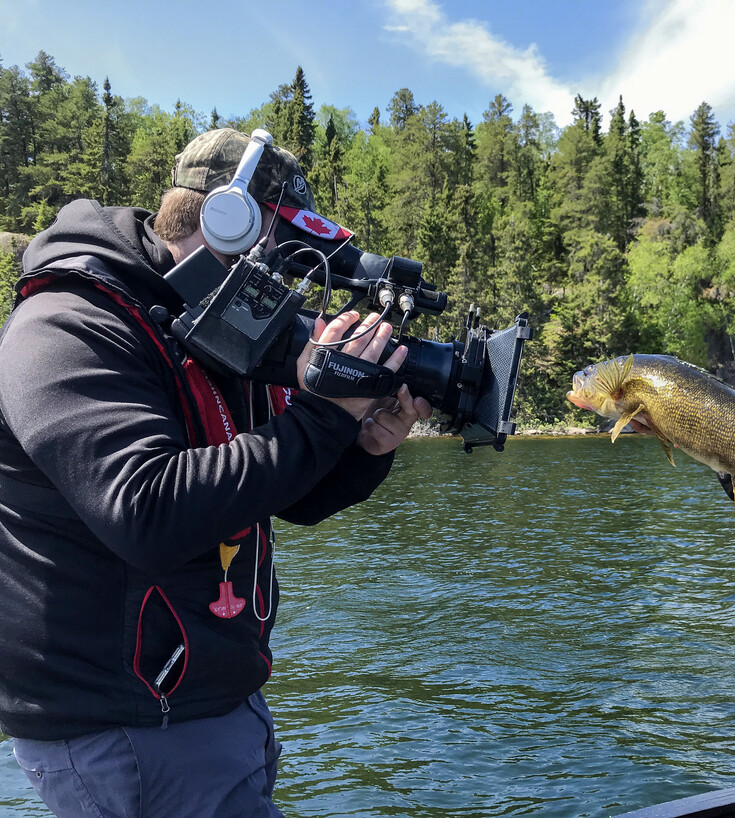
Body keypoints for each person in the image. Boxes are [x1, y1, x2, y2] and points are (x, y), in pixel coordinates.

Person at [0, 128, 431, 817]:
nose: (285, 287)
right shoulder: (65, 326)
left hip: (209, 707)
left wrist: (358, 445)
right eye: (281, 262)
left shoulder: (209, 330)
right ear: (231, 226)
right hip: (131, 728)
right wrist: (323, 417)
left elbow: (285, 494)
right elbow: (147, 511)